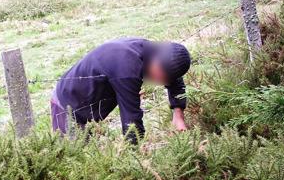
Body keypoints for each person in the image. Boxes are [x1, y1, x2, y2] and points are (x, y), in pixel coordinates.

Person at [50, 37, 191, 143]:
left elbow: (175, 79)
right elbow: (131, 122)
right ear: (157, 62)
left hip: (92, 103)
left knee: (90, 156)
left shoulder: (159, 52)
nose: (160, 81)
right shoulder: (128, 70)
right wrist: (136, 160)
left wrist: (178, 116)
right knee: (72, 159)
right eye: (160, 76)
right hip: (67, 104)